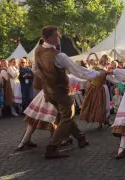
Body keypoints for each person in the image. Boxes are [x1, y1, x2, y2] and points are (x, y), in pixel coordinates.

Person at [33, 25, 103, 159]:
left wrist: (47, 80)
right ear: (48, 38)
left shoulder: (38, 51)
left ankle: (81, 138)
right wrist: (97, 73)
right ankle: (52, 147)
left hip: (49, 91)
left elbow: (35, 69)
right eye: (56, 35)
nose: (59, 37)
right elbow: (79, 71)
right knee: (67, 118)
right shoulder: (59, 56)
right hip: (60, 92)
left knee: (66, 116)